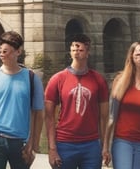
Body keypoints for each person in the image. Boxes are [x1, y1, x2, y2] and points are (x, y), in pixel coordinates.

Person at [0, 30, 45, 169]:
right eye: (0, 51)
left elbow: (39, 113)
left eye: (6, 51)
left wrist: (33, 143)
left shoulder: (31, 78)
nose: (2, 53)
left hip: (22, 143)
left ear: (18, 52)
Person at [44, 33, 109, 169]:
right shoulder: (58, 79)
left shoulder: (98, 80)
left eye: (80, 50)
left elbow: (104, 117)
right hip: (64, 142)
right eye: (73, 49)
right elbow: (49, 117)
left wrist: (105, 146)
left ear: (87, 52)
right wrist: (52, 148)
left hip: (91, 143)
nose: (76, 52)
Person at [104, 40, 140, 169]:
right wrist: (105, 147)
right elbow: (111, 116)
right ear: (131, 55)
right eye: (139, 50)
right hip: (122, 141)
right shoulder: (120, 81)